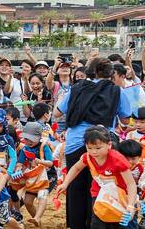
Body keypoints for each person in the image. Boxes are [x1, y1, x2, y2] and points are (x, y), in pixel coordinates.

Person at [55, 57, 132, 229]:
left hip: (75, 142)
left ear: (91, 71)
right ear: (111, 73)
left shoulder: (76, 88)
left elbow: (57, 113)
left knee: (76, 187)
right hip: (103, 144)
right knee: (101, 187)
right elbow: (126, 119)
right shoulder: (117, 91)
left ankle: (76, 225)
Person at [57, 126, 138, 229]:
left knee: (120, 224)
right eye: (89, 148)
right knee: (97, 223)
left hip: (121, 196)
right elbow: (76, 168)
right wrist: (65, 183)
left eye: (98, 148)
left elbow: (131, 184)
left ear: (109, 145)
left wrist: (130, 205)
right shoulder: (87, 157)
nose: (93, 152)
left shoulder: (117, 160)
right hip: (99, 194)